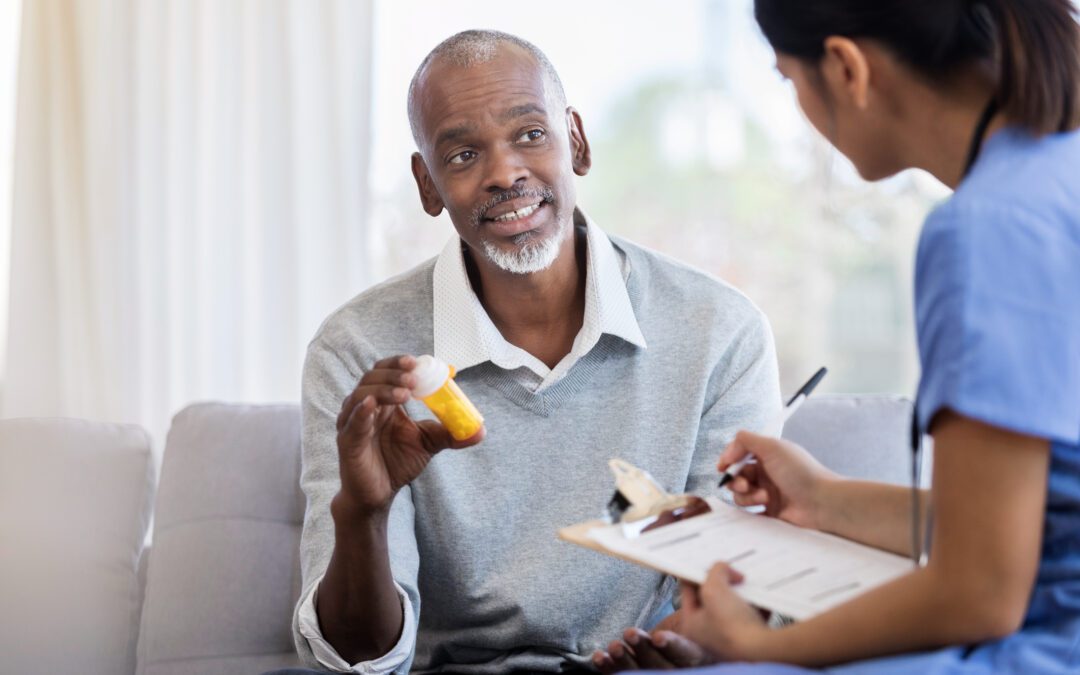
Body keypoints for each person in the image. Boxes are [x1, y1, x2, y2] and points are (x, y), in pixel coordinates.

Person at [593, 1, 1080, 673]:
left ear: (848, 68)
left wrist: (757, 646)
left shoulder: (986, 230)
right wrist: (822, 498)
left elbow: (982, 592)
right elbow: (1025, 525)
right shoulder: (1057, 175)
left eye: (789, 81)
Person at [283, 30, 781, 674]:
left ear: (575, 140)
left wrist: (685, 648)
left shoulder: (719, 330)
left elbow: (736, 594)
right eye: (462, 154)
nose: (504, 174)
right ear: (427, 183)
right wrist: (363, 513)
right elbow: (356, 659)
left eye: (529, 135)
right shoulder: (357, 351)